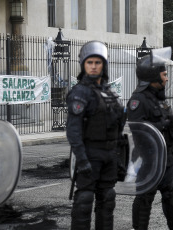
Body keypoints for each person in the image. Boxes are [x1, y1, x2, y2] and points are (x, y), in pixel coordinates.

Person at [66, 40, 125, 230]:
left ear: (104, 65)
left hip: (109, 155)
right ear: (83, 65)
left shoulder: (110, 93)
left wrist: (119, 156)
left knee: (108, 199)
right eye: (89, 62)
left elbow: (119, 126)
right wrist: (81, 159)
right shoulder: (80, 92)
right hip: (90, 154)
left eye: (97, 62)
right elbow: (73, 131)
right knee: (84, 200)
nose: (93, 66)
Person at [127, 53, 173, 230]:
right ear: (153, 76)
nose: (167, 79)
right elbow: (139, 131)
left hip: (167, 160)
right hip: (149, 161)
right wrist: (165, 123)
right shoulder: (138, 100)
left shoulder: (159, 100)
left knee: (171, 198)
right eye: (164, 75)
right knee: (144, 201)